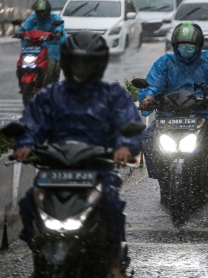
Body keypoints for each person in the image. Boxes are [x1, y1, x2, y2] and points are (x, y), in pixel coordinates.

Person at [13, 31, 142, 278]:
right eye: (77, 62)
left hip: (98, 170)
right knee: (28, 202)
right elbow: (31, 124)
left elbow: (128, 123)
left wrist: (124, 147)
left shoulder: (113, 95)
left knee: (112, 205)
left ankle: (113, 261)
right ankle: (38, 260)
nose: (82, 68)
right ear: (69, 63)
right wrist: (25, 144)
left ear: (99, 63)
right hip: (54, 172)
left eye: (88, 62)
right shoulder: (50, 96)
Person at [139, 22, 208, 194]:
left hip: (206, 114)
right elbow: (153, 84)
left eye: (190, 46)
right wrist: (148, 99)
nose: (186, 49)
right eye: (182, 46)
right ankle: (162, 176)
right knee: (148, 138)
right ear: (175, 46)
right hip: (170, 116)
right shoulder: (164, 63)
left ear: (198, 46)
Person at [15, 0, 66, 84]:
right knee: (21, 62)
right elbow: (26, 26)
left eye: (43, 11)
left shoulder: (55, 18)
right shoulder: (34, 18)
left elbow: (59, 27)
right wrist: (20, 32)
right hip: (36, 44)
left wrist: (57, 33)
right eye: (38, 12)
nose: (41, 14)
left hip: (52, 44)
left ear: (48, 11)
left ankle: (49, 81)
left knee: (51, 61)